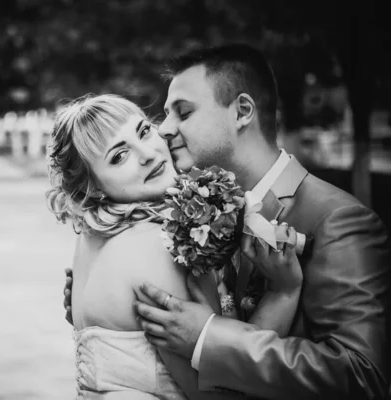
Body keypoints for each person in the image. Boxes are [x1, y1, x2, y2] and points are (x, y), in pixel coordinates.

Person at [127, 44, 390, 399]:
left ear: (243, 111)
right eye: (166, 114)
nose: (164, 129)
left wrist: (209, 338)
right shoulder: (199, 210)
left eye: (183, 113)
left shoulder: (338, 219)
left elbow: (363, 376)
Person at [49, 93, 304, 399]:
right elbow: (226, 394)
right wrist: (283, 291)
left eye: (143, 131)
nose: (147, 153)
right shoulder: (151, 248)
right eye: (119, 156)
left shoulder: (89, 241)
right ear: (92, 188)